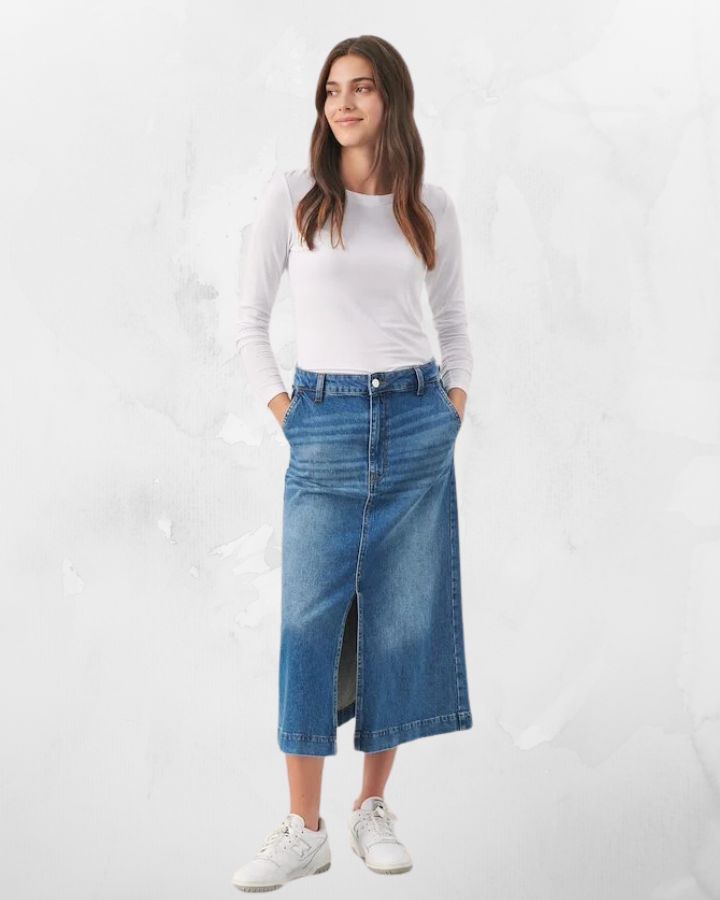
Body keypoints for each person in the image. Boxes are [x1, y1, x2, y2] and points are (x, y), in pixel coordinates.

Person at [231, 34, 474, 892]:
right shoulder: (295, 196)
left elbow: (454, 324)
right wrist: (289, 417)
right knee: (308, 626)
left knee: (398, 620)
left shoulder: (428, 204)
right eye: (332, 89)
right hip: (323, 422)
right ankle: (305, 828)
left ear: (390, 100)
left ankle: (373, 807)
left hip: (416, 418)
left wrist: (451, 410)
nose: (343, 103)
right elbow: (248, 320)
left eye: (362, 88)